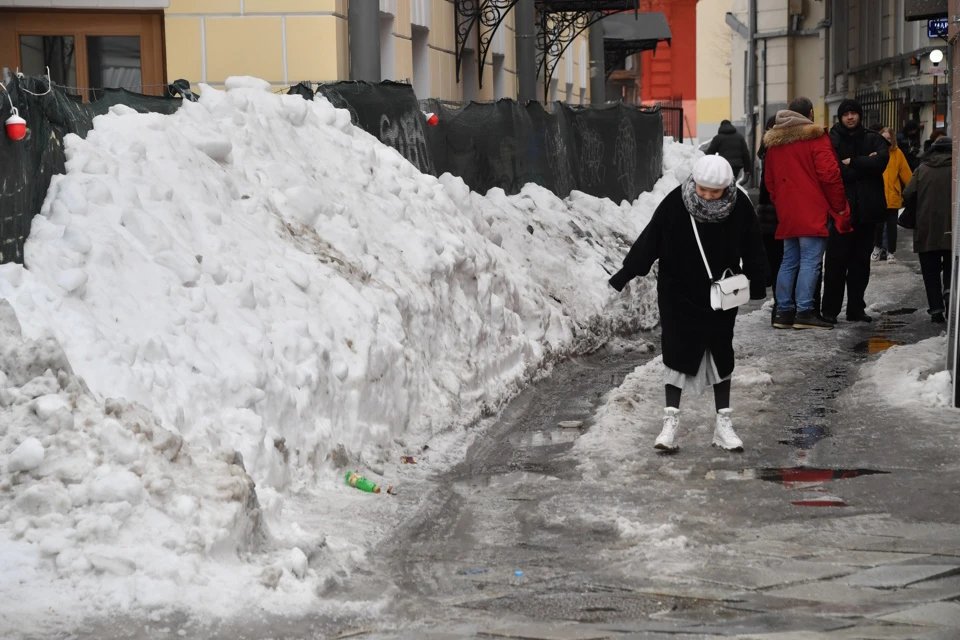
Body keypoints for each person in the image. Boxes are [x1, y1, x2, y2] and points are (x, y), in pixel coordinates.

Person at [608, 155, 767, 452]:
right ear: (694, 182)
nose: (707, 196)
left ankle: (723, 424)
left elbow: (754, 246)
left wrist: (757, 282)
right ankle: (670, 422)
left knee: (721, 352)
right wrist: (626, 273)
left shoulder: (739, 206)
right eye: (702, 189)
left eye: (714, 191)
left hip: (720, 295)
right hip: (677, 291)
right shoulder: (675, 203)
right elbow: (650, 240)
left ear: (727, 188)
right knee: (677, 352)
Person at [762, 97, 850, 330]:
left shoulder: (774, 143)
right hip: (813, 208)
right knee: (811, 261)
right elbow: (830, 175)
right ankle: (805, 311)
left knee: (789, 260)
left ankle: (783, 312)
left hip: (788, 211)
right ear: (810, 114)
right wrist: (839, 206)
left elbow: (769, 181)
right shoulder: (816, 137)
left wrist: (781, 202)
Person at [822, 99, 889, 324]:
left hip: (867, 212)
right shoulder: (832, 139)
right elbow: (833, 169)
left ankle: (855, 309)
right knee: (835, 264)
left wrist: (853, 162)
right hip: (841, 212)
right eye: (845, 114)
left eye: (853, 113)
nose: (850, 117)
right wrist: (862, 167)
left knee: (861, 265)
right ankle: (830, 310)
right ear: (840, 118)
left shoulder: (872, 137)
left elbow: (882, 160)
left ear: (859, 115)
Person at [902, 136, 953, 324]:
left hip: (926, 227)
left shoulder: (922, 169)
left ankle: (936, 309)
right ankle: (949, 291)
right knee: (951, 265)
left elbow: (907, 194)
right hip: (952, 227)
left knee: (930, 271)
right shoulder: (956, 170)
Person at [872, 127, 913, 263]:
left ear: (893, 139)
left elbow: (906, 174)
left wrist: (914, 189)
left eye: (889, 138)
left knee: (891, 226)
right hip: (877, 194)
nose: (886, 141)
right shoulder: (874, 152)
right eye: (884, 138)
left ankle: (891, 252)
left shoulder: (897, 153)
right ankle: (877, 248)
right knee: (877, 225)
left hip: (892, 195)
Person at [757, 116, 783, 326]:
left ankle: (780, 305)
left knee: (777, 261)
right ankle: (781, 305)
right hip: (775, 213)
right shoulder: (773, 151)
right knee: (781, 260)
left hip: (769, 214)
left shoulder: (767, 150)